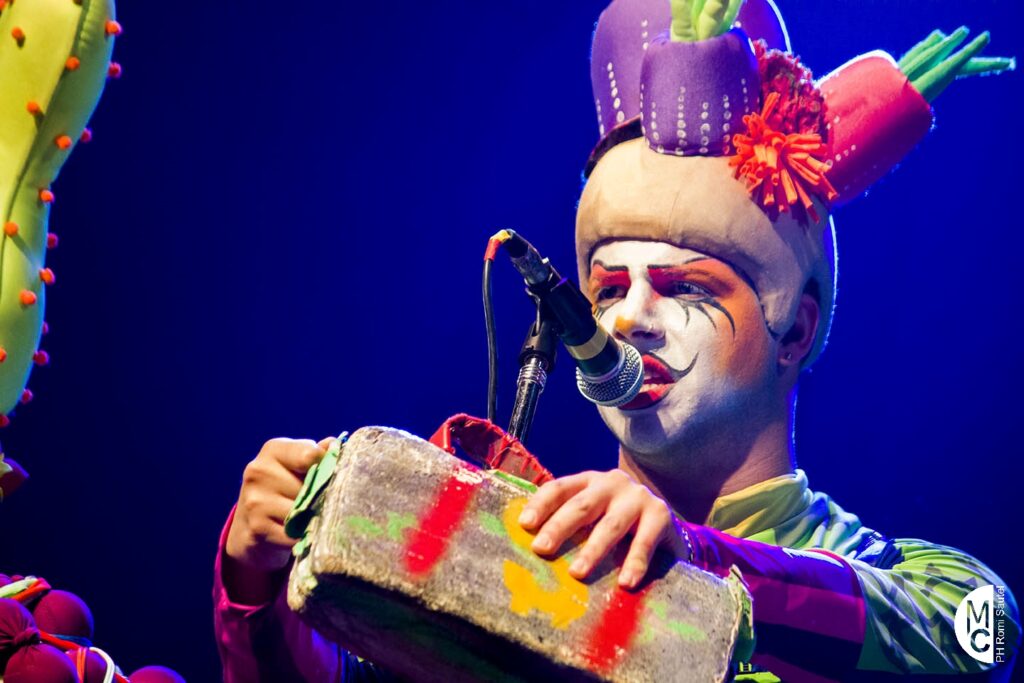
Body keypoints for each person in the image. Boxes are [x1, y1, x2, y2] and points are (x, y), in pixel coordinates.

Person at [214, 0, 1019, 680]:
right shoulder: (524, 552)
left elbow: (981, 637)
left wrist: (698, 561)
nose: (627, 318)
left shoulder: (914, 583)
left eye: (685, 286)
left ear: (795, 329)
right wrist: (258, 590)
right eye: (606, 289)